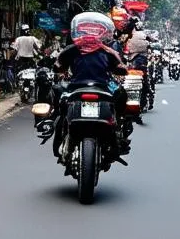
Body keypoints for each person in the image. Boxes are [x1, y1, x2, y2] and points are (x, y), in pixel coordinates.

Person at [52, 12, 128, 157]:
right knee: (121, 93)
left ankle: (57, 127)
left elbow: (57, 66)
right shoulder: (108, 51)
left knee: (58, 96)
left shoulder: (71, 49)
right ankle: (118, 128)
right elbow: (122, 69)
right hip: (102, 88)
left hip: (76, 88)